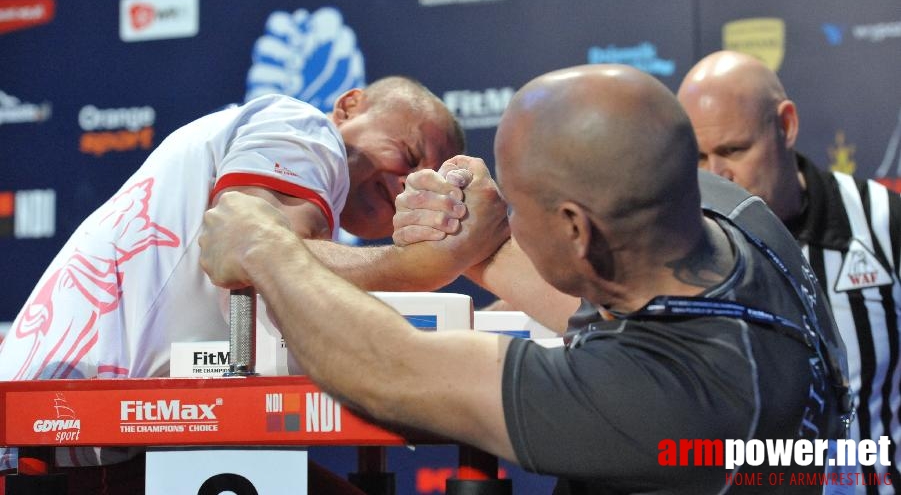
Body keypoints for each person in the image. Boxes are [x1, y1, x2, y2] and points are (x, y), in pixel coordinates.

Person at [200, 64, 850, 493]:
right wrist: (477, 246)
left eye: (518, 202)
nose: (506, 211)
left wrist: (265, 251)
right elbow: (615, 286)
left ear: (575, 229)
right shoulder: (743, 221)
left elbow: (391, 370)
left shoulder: (663, 401)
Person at [0, 75, 464, 487]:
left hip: (103, 436)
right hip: (55, 443)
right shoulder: (301, 127)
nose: (407, 185)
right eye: (407, 155)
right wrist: (421, 267)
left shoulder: (320, 231)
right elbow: (247, 252)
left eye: (428, 183)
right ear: (348, 107)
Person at [676, 50, 901, 491]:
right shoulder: (671, 244)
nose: (716, 177)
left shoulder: (883, 224)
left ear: (786, 126)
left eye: (732, 150)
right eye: (697, 159)